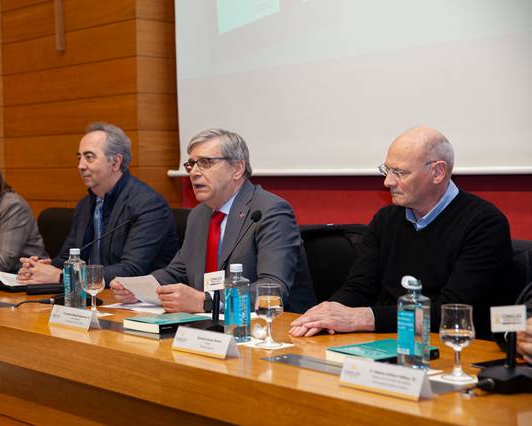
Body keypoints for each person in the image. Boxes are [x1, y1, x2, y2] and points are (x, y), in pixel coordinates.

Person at [290, 126, 512, 339]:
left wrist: (362, 318)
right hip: (385, 340)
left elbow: (453, 310)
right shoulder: (387, 219)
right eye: (387, 170)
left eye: (400, 172)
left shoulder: (484, 224)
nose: (388, 182)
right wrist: (326, 314)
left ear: (438, 172)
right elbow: (359, 287)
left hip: (450, 348)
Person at [111, 128, 316, 314]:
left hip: (276, 329)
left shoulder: (269, 211)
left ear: (237, 168)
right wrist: (138, 288)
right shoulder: (199, 215)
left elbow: (273, 289)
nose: (194, 172)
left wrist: (205, 301)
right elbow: (179, 271)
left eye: (206, 163)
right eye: (191, 164)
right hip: (213, 325)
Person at [17, 122, 179, 286]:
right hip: (94, 296)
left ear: (115, 162)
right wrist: (42, 268)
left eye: (89, 157)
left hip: (138, 302)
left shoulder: (148, 205)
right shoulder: (85, 205)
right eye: (79, 157)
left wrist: (61, 276)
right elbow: (68, 258)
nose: (80, 166)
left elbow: (131, 270)